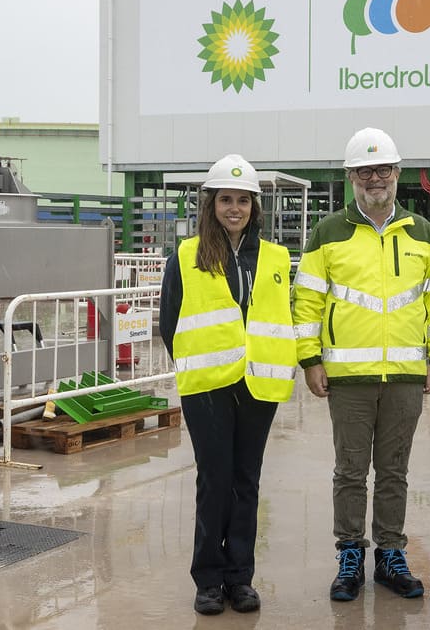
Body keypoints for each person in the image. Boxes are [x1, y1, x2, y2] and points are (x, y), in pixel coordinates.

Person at [292, 127, 430, 601]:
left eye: (383, 169)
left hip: (406, 376)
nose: (375, 178)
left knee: (394, 471)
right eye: (365, 171)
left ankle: (389, 554)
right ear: (351, 177)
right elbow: (307, 302)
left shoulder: (422, 232)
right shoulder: (327, 233)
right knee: (349, 471)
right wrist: (310, 360)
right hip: (347, 378)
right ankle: (349, 555)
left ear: (398, 174)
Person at [158, 153, 298, 616]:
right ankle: (208, 580)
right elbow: (169, 321)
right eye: (225, 200)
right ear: (210, 204)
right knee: (213, 480)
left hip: (257, 385)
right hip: (208, 387)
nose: (234, 208)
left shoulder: (276, 257)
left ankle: (241, 578)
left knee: (246, 481)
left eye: (242, 200)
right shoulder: (186, 255)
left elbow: (282, 316)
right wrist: (201, 365)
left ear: (255, 206)